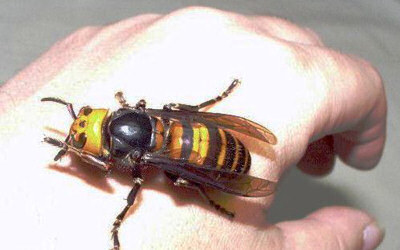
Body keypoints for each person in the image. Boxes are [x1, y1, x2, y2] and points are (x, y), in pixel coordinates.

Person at [0, 7, 386, 250]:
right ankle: (209, 122)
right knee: (173, 120)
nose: (86, 121)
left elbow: (108, 171)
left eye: (85, 119)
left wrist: (118, 220)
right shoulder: (137, 114)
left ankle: (211, 190)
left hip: (213, 152)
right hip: (200, 133)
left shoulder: (126, 158)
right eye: (85, 128)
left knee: (180, 181)